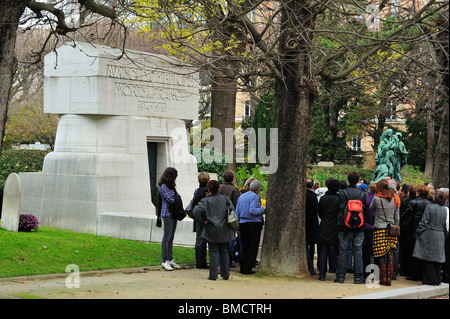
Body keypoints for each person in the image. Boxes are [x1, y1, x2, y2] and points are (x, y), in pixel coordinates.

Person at [193, 180, 236, 280]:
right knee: (224, 251)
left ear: (209, 189)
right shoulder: (225, 199)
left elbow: (195, 211)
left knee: (213, 251)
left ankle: (213, 275)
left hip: (211, 228)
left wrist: (203, 221)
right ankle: (225, 274)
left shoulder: (205, 201)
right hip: (224, 229)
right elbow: (232, 210)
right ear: (218, 188)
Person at [335, 171, 366, 284]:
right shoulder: (362, 194)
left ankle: (340, 276)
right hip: (359, 226)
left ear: (348, 180)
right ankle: (358, 277)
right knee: (358, 252)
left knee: (343, 251)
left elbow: (339, 208)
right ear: (358, 180)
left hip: (344, 226)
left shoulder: (343, 193)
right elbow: (364, 209)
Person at [412, 191, 448, 285]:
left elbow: (424, 222)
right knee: (437, 259)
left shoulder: (430, 207)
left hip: (430, 234)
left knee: (428, 258)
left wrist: (418, 232)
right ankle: (437, 280)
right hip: (440, 235)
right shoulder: (445, 209)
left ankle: (430, 280)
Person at [370, 179, 400, 286]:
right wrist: (396, 226)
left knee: (380, 253)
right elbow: (397, 217)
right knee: (390, 253)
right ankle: (389, 278)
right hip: (391, 229)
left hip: (379, 228)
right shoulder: (395, 198)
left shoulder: (377, 198)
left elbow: (371, 207)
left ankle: (383, 278)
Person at [235, 179, 265, 274]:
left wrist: (237, 226)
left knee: (244, 246)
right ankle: (248, 268)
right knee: (252, 247)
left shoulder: (241, 196)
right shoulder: (255, 197)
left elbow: (237, 212)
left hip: (242, 223)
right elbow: (253, 210)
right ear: (258, 189)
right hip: (253, 224)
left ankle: (242, 267)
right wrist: (263, 208)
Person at [401, 185, 431, 281]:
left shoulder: (414, 202)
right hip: (425, 229)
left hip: (413, 229)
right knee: (421, 251)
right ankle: (420, 273)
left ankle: (413, 273)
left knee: (412, 250)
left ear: (418, 192)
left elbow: (406, 214)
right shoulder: (429, 203)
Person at [158, 167, 181, 271]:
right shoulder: (163, 186)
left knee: (171, 237)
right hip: (167, 214)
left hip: (173, 214)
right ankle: (165, 260)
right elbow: (171, 199)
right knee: (166, 237)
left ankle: (170, 258)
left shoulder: (171, 186)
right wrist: (177, 198)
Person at [317, 178, 341, 280]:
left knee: (323, 251)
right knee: (337, 252)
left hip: (324, 226)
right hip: (336, 227)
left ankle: (322, 275)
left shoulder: (323, 198)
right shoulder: (339, 199)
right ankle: (338, 273)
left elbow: (320, 213)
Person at [191, 172, 210, 269]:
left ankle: (199, 261)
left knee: (199, 240)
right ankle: (201, 263)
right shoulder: (204, 193)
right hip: (202, 219)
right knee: (202, 240)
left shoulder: (197, 191)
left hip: (197, 219)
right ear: (207, 181)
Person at [363, 182, 377, 279]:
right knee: (376, 252)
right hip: (377, 227)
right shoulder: (379, 199)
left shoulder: (365, 198)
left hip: (367, 227)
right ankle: (375, 273)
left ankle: (366, 273)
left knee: (366, 252)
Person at [306, 178, 320, 275]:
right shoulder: (313, 196)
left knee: (306, 246)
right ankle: (310, 267)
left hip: (304, 223)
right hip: (312, 224)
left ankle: (309, 266)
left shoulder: (301, 195)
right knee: (310, 246)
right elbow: (316, 211)